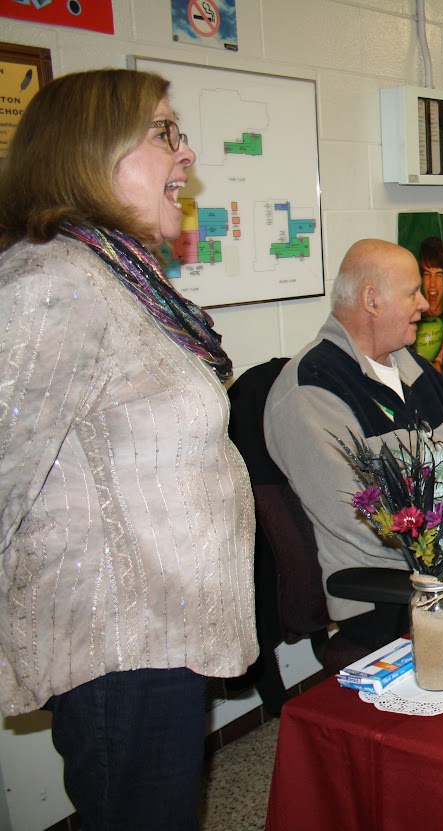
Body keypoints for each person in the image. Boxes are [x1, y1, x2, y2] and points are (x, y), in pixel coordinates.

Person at [0, 69, 257, 828]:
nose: (187, 154)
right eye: (164, 132)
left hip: (162, 632)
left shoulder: (118, 277)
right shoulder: (52, 283)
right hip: (118, 643)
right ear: (90, 150)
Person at [264, 238, 443, 649]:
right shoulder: (312, 391)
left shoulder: (417, 371)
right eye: (411, 293)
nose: (425, 304)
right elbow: (363, 519)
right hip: (392, 596)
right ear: (371, 300)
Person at [414, 236, 443, 394]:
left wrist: (438, 365)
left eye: (439, 275)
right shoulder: (410, 324)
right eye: (427, 274)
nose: (432, 284)